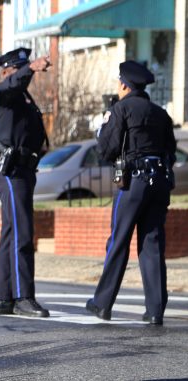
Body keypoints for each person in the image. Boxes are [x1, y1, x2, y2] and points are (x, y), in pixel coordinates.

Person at [86, 60, 176, 325]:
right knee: (152, 244)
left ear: (124, 84)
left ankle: (102, 304)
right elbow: (170, 150)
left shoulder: (120, 109)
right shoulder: (161, 114)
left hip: (134, 182)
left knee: (119, 240)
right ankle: (155, 310)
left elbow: (106, 150)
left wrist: (100, 130)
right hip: (159, 180)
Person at [0, 48, 51, 318]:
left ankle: (4, 298)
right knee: (23, 231)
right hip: (11, 170)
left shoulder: (22, 98)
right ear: (6, 72)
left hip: (24, 169)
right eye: (19, 69)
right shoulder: (2, 93)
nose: (26, 75)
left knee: (12, 232)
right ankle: (23, 296)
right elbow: (13, 84)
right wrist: (31, 69)